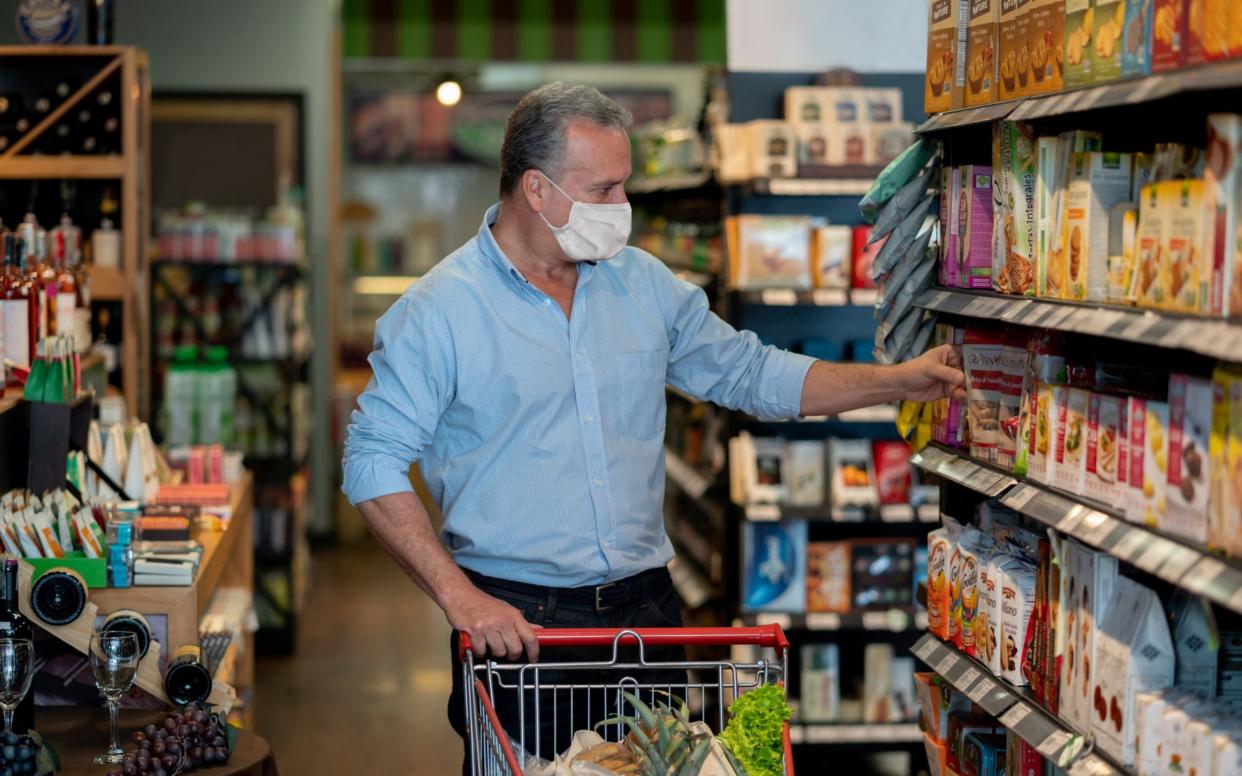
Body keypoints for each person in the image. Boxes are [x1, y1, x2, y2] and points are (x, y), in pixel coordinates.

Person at [341, 82, 965, 771]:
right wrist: (459, 597)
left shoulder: (643, 285)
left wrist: (896, 379)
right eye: (603, 190)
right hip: (519, 625)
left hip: (647, 614)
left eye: (625, 187)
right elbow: (371, 460)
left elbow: (752, 375)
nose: (622, 210)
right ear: (537, 189)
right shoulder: (440, 310)